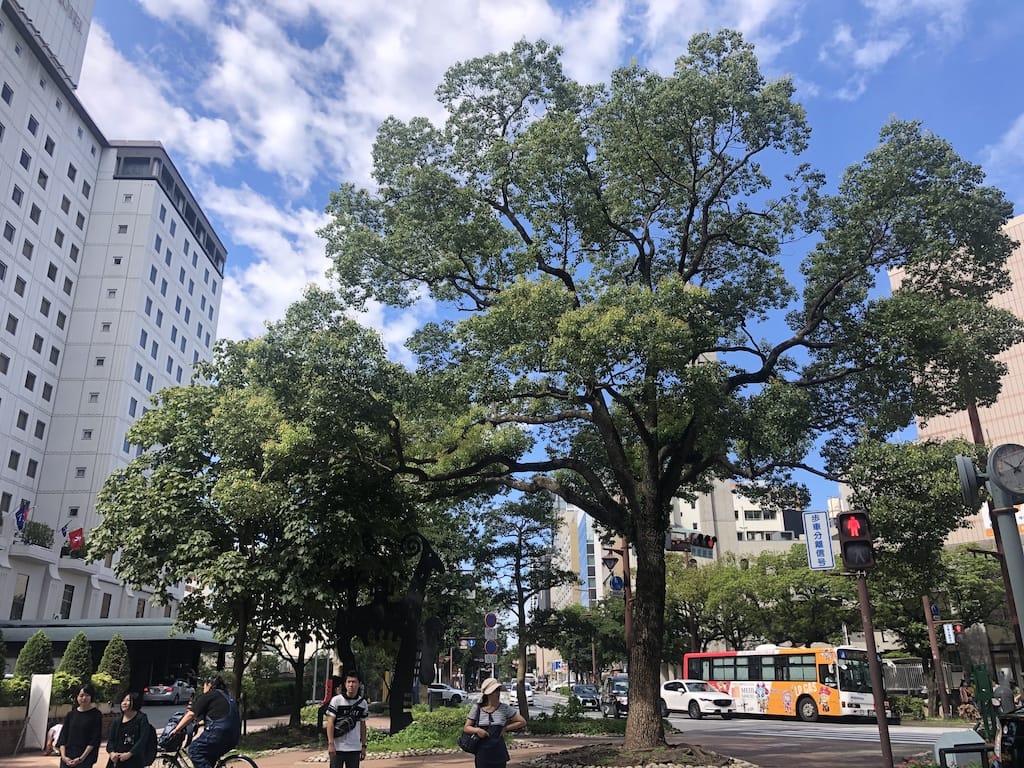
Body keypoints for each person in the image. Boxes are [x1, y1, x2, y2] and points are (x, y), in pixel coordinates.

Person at [163, 676, 241, 768]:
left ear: (209, 685)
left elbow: (191, 714)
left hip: (219, 734)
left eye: (204, 685)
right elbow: (217, 715)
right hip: (234, 736)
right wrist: (199, 724)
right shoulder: (227, 696)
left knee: (194, 750)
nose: (203, 687)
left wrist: (176, 729)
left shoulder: (209, 695)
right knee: (208, 757)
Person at [463, 677, 526, 768]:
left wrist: (506, 728)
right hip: (482, 752)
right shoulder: (477, 708)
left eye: (498, 690)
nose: (497, 693)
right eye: (494, 691)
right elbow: (466, 727)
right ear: (488, 694)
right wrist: (477, 730)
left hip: (499, 751)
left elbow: (522, 721)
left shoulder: (504, 708)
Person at [325, 670, 369, 768]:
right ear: (345, 684)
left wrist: (363, 746)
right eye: (348, 682)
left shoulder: (363, 703)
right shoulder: (336, 701)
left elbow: (363, 726)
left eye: (354, 682)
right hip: (337, 748)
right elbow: (330, 723)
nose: (351, 685)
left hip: (354, 748)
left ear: (359, 684)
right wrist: (331, 744)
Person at [57, 684, 103, 768]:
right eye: (81, 695)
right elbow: (63, 737)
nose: (84, 698)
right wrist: (63, 757)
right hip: (68, 757)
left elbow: (94, 739)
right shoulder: (71, 715)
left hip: (85, 758)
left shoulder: (96, 715)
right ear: (77, 697)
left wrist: (81, 759)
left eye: (87, 695)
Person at [105, 692, 152, 768]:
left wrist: (130, 753)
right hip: (117, 760)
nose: (124, 703)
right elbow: (111, 740)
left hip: (134, 760)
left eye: (128, 700)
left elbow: (143, 739)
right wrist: (112, 753)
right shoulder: (117, 721)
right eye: (123, 701)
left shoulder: (141, 719)